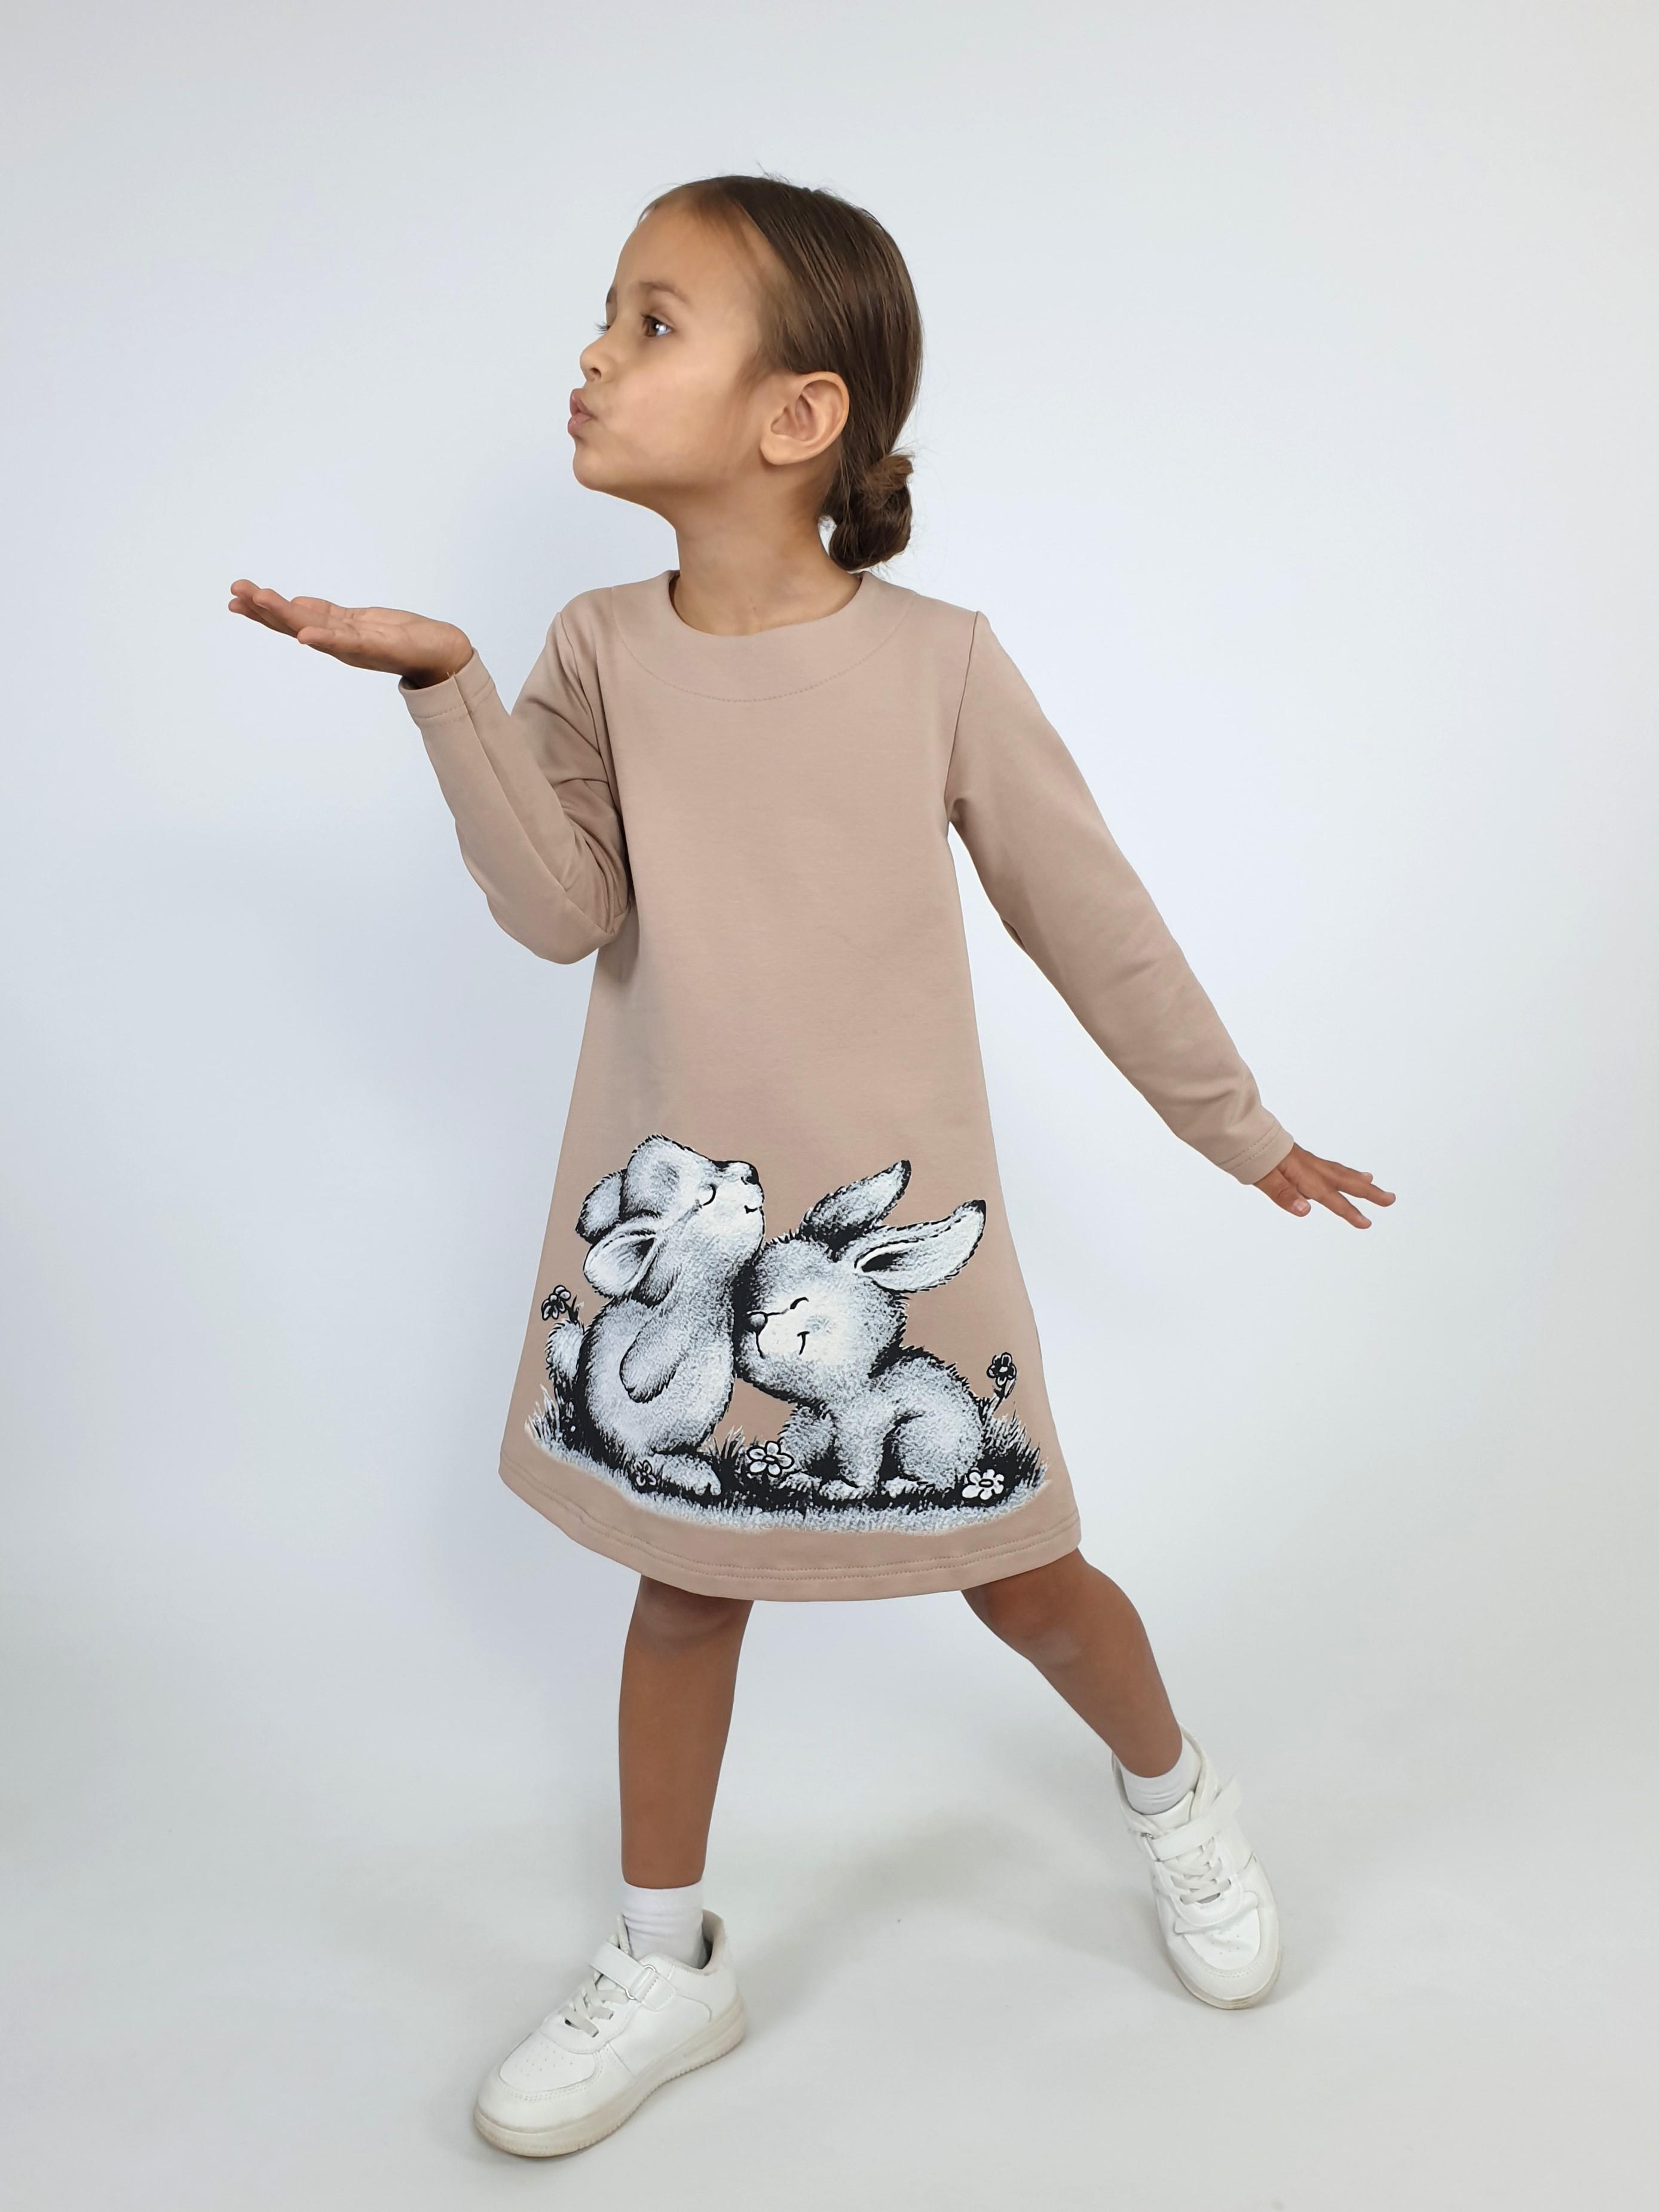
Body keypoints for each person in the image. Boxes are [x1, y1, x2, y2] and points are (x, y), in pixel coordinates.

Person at [228, 170, 1394, 2160]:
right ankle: (665, 1959)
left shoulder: (937, 661)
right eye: (609, 310)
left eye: (653, 321)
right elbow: (557, 909)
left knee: (1028, 1585)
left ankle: (1178, 1798)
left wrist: (1239, 1128)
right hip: (691, 1255)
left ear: (799, 415)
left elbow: (1087, 913)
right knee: (686, 1596)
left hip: (882, 1271)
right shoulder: (597, 647)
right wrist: (444, 686)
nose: (595, 351)